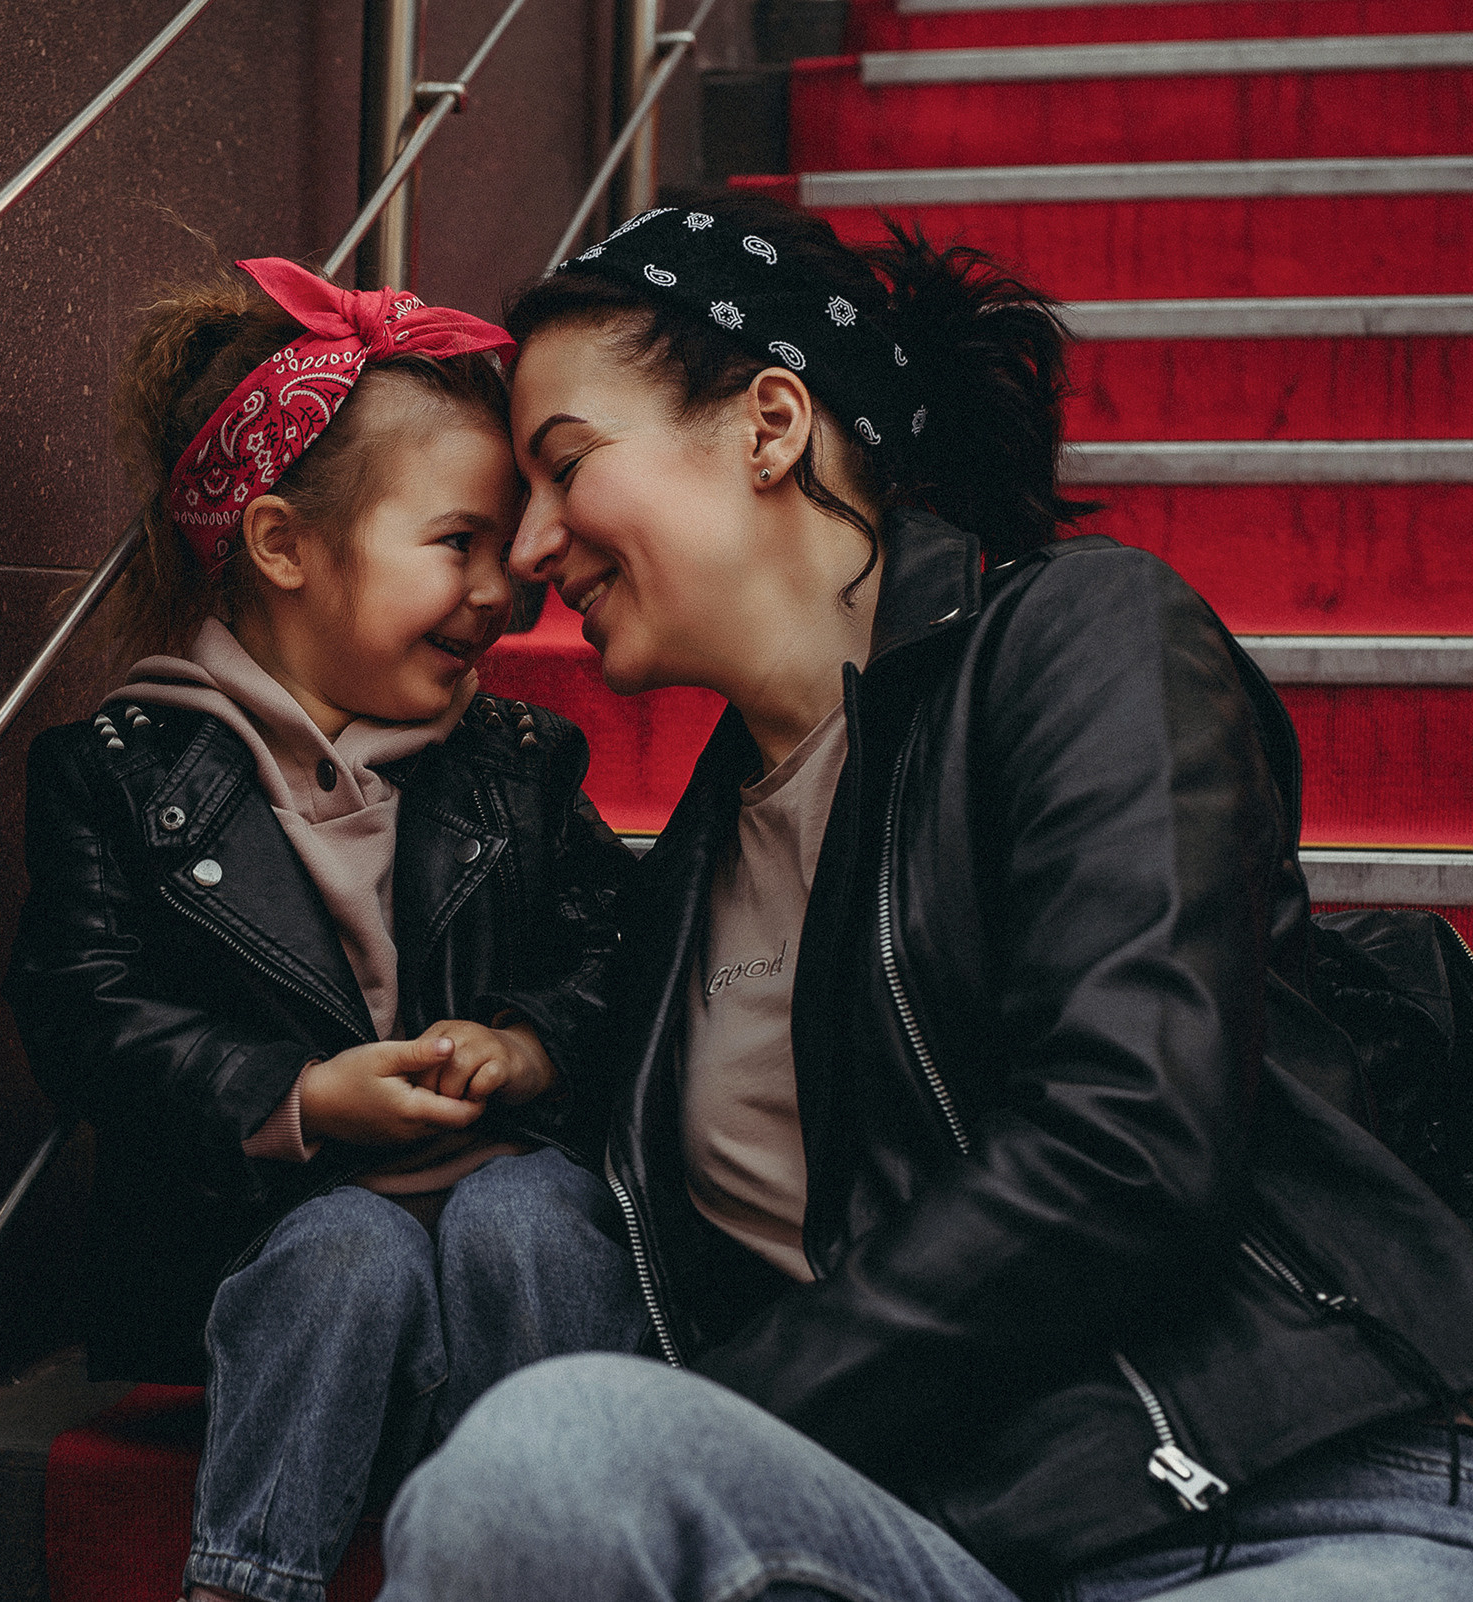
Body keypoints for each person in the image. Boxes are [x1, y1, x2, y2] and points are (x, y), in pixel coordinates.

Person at [373, 188, 1473, 1601]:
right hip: (949, 1545)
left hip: (1281, 1505)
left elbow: (1126, 1140)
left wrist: (727, 1413)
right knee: (544, 1455)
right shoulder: (685, 881)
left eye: (566, 463)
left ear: (771, 424)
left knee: (582, 1434)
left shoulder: (1079, 641)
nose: (529, 550)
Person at [6, 257, 647, 1602]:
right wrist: (295, 1096)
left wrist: (530, 1048)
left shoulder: (516, 762)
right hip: (262, 1228)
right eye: (457, 542)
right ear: (285, 544)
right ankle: (249, 1580)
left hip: (496, 1198)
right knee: (346, 1249)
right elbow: (82, 1011)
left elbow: (627, 948)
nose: (504, 587)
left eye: (504, 543)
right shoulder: (118, 774)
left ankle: (573, 1558)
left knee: (529, 1214)